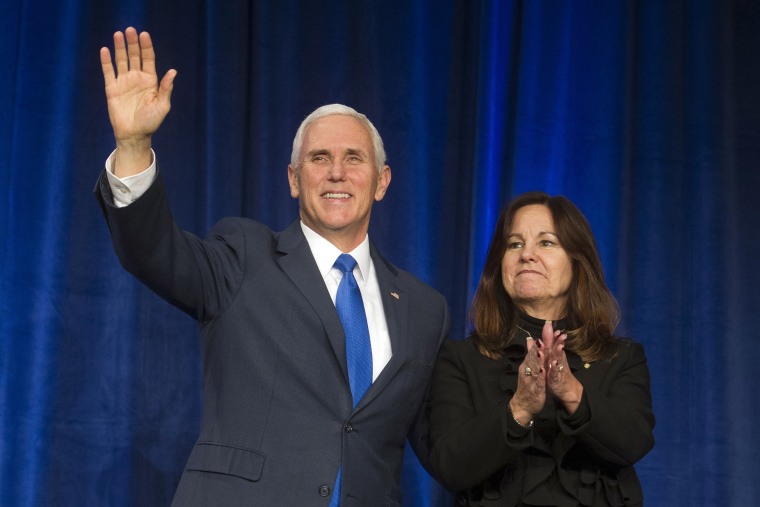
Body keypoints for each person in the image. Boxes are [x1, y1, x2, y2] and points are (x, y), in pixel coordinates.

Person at [95, 27, 450, 506]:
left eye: (354, 159)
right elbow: (151, 251)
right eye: (319, 158)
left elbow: (442, 447)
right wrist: (134, 145)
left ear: (382, 181)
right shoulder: (244, 256)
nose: (337, 173)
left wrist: (522, 411)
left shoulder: (424, 309)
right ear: (293, 179)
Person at [428, 192, 654, 506]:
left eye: (546, 242)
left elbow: (634, 443)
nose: (527, 255)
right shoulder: (461, 360)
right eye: (514, 244)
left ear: (578, 262)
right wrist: (520, 407)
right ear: (499, 265)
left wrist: (570, 391)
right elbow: (449, 466)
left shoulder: (621, 358)